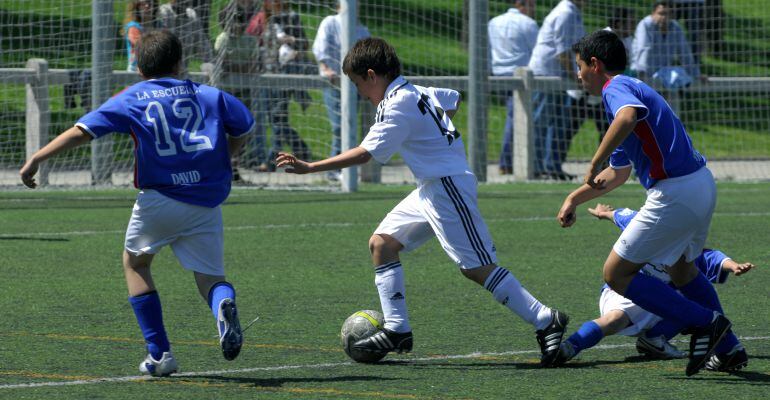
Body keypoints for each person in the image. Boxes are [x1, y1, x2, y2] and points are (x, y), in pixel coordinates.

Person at [276, 37, 570, 366]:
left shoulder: (396, 102)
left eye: (359, 84)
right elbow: (452, 99)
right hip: (431, 187)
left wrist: (310, 166)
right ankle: (398, 329)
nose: (361, 93)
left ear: (372, 75)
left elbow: (366, 154)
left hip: (447, 187)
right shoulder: (417, 91)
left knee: (476, 267)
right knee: (382, 244)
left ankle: (546, 319)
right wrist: (435, 135)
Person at [19, 30, 250, 377]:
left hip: (159, 198)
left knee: (136, 264)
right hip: (206, 200)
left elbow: (84, 130)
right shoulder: (211, 95)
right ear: (180, 63)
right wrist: (225, 159)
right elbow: (245, 126)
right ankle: (222, 305)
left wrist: (38, 157)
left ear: (140, 70)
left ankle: (160, 355)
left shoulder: (133, 97)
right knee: (211, 277)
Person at [558, 29, 736, 376]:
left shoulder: (617, 89)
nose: (578, 75)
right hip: (699, 185)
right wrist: (574, 199)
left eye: (579, 67)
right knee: (682, 271)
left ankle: (707, 324)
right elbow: (618, 174)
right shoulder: (634, 94)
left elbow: (624, 118)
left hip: (675, 191)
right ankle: (730, 349)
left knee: (615, 273)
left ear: (595, 65)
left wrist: (593, 160)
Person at [554, 203, 752, 371]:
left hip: (657, 298)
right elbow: (620, 215)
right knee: (614, 319)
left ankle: (655, 339)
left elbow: (712, 258)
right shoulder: (641, 225)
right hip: (624, 289)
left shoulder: (686, 248)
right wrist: (603, 212)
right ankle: (570, 347)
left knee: (692, 300)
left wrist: (733, 265)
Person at [246, 0, 311, 167]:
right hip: (264, 75)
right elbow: (255, 42)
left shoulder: (291, 17)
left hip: (283, 75)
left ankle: (270, 162)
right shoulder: (263, 19)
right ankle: (302, 150)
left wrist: (290, 41)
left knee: (277, 118)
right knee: (274, 119)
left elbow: (304, 44)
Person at [528, 0, 586, 180]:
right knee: (541, 122)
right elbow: (562, 52)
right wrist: (575, 76)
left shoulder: (573, 12)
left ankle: (552, 167)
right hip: (547, 74)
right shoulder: (565, 13)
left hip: (560, 76)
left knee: (557, 124)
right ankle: (536, 169)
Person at [312, 1, 371, 169]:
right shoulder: (330, 22)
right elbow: (320, 49)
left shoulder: (362, 30)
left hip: (356, 86)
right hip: (335, 83)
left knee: (350, 126)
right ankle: (335, 168)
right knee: (339, 126)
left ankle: (346, 169)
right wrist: (326, 68)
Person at [488, 0, 538, 175]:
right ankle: (507, 162)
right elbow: (535, 51)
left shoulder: (494, 22)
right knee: (516, 118)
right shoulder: (529, 23)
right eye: (533, 5)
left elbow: (488, 49)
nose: (535, 9)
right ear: (522, 4)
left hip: (498, 73)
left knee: (512, 117)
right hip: (520, 75)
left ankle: (508, 161)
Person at [631, 1, 700, 86]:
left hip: (664, 73)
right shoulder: (645, 24)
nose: (664, 17)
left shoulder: (676, 27)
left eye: (668, 14)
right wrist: (642, 75)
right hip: (641, 73)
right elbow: (644, 49)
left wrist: (696, 74)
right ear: (653, 14)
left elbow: (685, 53)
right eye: (661, 13)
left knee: (676, 80)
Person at [159, 0, 214, 72]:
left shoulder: (191, 15)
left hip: (182, 71)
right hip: (160, 71)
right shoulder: (163, 12)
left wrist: (211, 63)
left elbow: (203, 43)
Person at [123, 0, 159, 72]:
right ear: (137, 7)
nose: (147, 6)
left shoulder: (158, 24)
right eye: (143, 3)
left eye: (149, 3)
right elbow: (142, 46)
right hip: (137, 69)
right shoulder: (133, 26)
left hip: (156, 68)